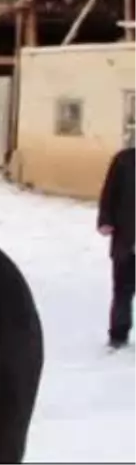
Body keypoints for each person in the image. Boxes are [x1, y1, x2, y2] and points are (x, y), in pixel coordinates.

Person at [98, 146, 136, 350]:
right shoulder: (124, 161)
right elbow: (109, 192)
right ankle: (118, 335)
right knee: (122, 290)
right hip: (126, 238)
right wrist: (105, 220)